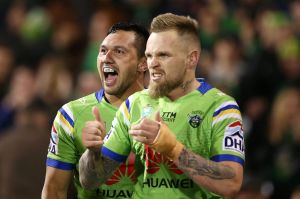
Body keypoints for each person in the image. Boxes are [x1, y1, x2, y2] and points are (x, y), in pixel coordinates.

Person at [79, 13, 245, 198]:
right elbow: (90, 180)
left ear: (191, 59)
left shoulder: (220, 107)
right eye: (149, 56)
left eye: (163, 55)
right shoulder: (135, 104)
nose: (153, 64)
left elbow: (231, 183)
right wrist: (92, 152)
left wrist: (173, 149)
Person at [41, 22, 149, 199]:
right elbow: (54, 190)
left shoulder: (165, 111)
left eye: (119, 51)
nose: (107, 57)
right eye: (103, 51)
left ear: (143, 63)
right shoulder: (71, 115)